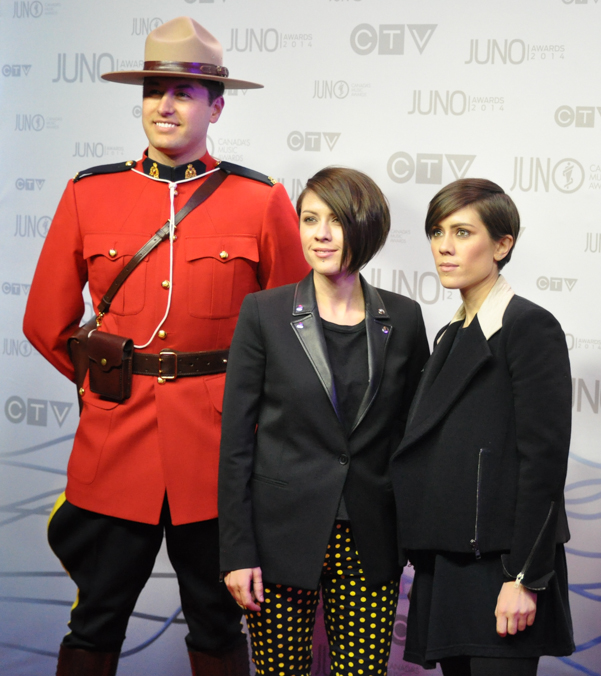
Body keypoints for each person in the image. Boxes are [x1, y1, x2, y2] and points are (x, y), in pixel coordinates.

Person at [22, 17, 308, 676]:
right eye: (154, 90)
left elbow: (296, 329)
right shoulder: (89, 193)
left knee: (218, 618)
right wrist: (106, 381)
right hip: (114, 441)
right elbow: (46, 320)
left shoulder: (260, 200)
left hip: (217, 451)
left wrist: (251, 414)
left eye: (183, 92)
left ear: (217, 106)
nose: (166, 105)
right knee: (96, 618)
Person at [218, 166, 430, 676]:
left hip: (370, 538)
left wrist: (414, 541)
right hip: (278, 537)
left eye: (336, 220)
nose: (320, 233)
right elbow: (235, 444)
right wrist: (237, 552)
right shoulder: (264, 313)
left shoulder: (402, 318)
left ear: (367, 228)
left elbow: (413, 438)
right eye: (310, 218)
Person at [390, 179, 575, 676]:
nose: (444, 246)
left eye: (462, 232)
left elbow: (544, 462)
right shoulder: (450, 332)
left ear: (502, 244)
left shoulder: (529, 326)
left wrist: (524, 577)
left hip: (501, 570)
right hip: (448, 565)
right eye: (436, 231)